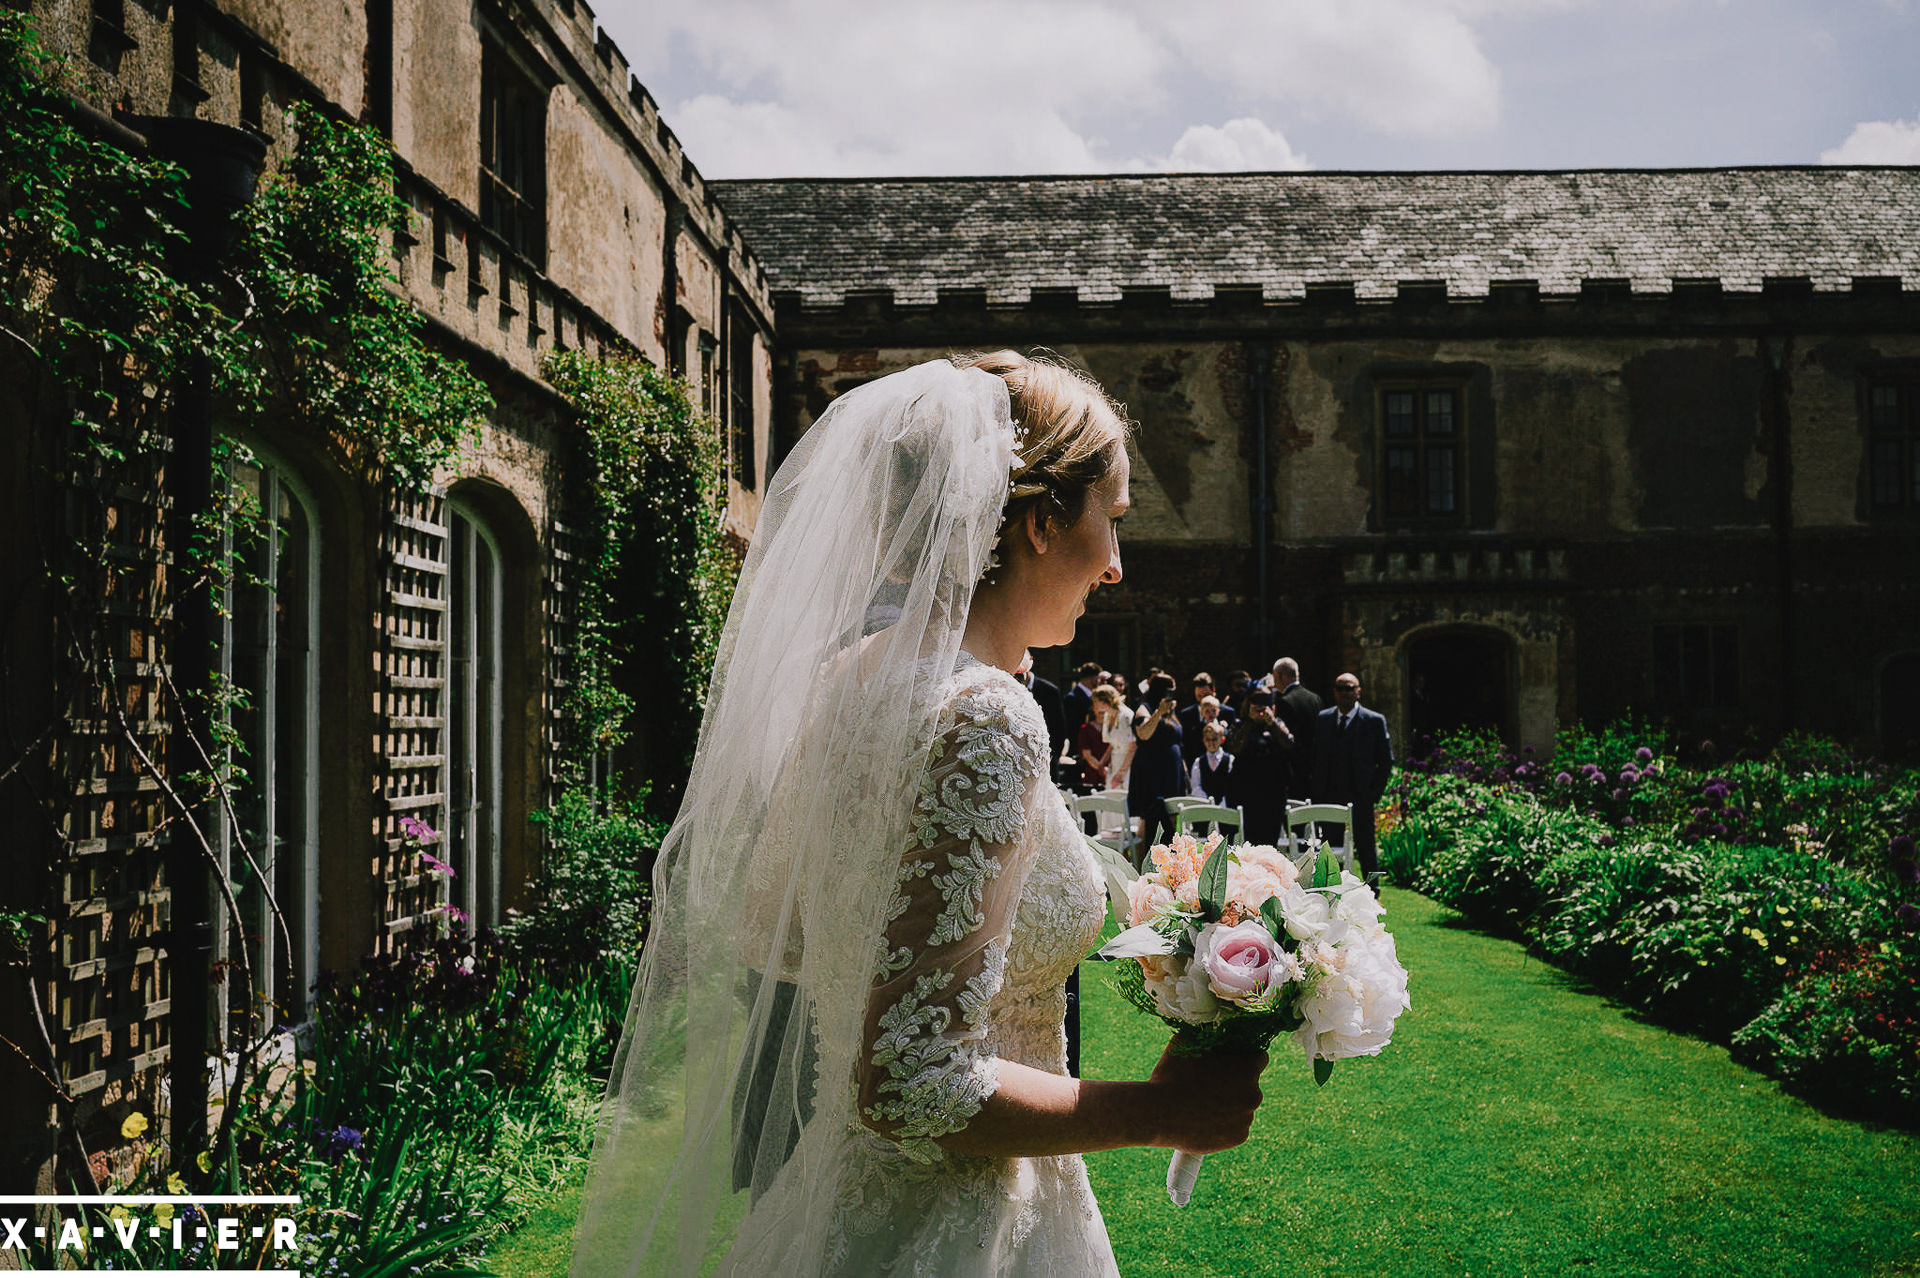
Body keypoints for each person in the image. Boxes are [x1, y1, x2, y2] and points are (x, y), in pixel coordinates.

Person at [570, 354, 1265, 1278]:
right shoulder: (986, 713)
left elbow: (780, 933)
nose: (1117, 564)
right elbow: (907, 1081)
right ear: (1042, 520)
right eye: (1114, 520)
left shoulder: (853, 679)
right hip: (962, 1224)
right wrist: (1163, 1112)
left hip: (831, 1203)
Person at [1311, 671, 1394, 883]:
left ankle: (1373, 890)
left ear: (1358, 692)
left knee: (1366, 845)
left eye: (1350, 688)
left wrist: (1374, 792)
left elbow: (1386, 760)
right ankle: (1330, 890)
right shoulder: (1324, 719)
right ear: (1334, 692)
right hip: (1330, 793)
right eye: (1340, 688)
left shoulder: (1374, 720)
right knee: (1329, 846)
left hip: (1361, 794)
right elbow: (1317, 756)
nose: (1345, 693)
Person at [1223, 688, 1293, 845]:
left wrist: (1272, 723)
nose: (1260, 713)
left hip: (1273, 793)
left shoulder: (1277, 724)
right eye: (1256, 709)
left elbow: (1289, 744)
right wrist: (1250, 722)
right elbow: (1234, 748)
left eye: (1264, 709)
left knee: (1270, 841)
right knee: (1249, 841)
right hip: (1246, 792)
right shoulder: (1240, 724)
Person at [1129, 671, 1187, 858]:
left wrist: (1184, 772)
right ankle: (1145, 865)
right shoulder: (1144, 708)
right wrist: (1159, 712)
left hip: (1172, 773)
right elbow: (1143, 733)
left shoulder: (1172, 711)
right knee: (1150, 821)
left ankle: (1171, 864)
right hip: (1152, 773)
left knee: (1171, 821)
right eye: (1169, 691)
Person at [1271, 657, 1324, 802]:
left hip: (1294, 769)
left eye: (1275, 677)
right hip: (1314, 765)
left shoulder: (1284, 702)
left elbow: (1285, 740)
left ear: (1281, 676)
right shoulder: (1315, 698)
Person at [1015, 650, 1069, 784]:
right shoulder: (1010, 688)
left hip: (1046, 759)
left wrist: (1051, 755)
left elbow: (1059, 727)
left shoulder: (1049, 691)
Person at [1188, 719, 1233, 803]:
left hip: (1226, 805)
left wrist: (1222, 805)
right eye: (1207, 740)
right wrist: (1207, 803)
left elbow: (1232, 784)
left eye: (1214, 739)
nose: (1211, 743)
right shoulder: (1199, 762)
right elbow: (1196, 786)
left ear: (1222, 740)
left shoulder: (1230, 760)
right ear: (1203, 740)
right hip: (1205, 805)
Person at [1063, 661, 1100, 735]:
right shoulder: (1072, 698)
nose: (1099, 681)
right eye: (1098, 678)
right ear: (1093, 679)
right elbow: (1071, 727)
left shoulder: (1093, 696)